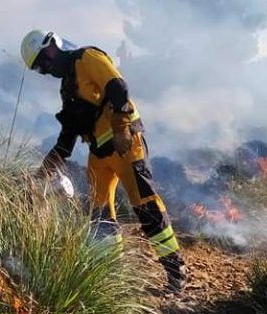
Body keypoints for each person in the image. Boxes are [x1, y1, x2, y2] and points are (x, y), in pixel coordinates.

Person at [21, 29, 189, 293]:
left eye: (43, 64)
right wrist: (40, 175)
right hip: (98, 152)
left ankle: (175, 272)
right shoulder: (68, 88)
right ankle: (112, 278)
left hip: (125, 145)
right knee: (99, 215)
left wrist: (122, 127)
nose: (44, 71)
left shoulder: (87, 57)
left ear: (51, 47)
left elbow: (118, 87)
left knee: (145, 206)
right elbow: (66, 141)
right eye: (39, 70)